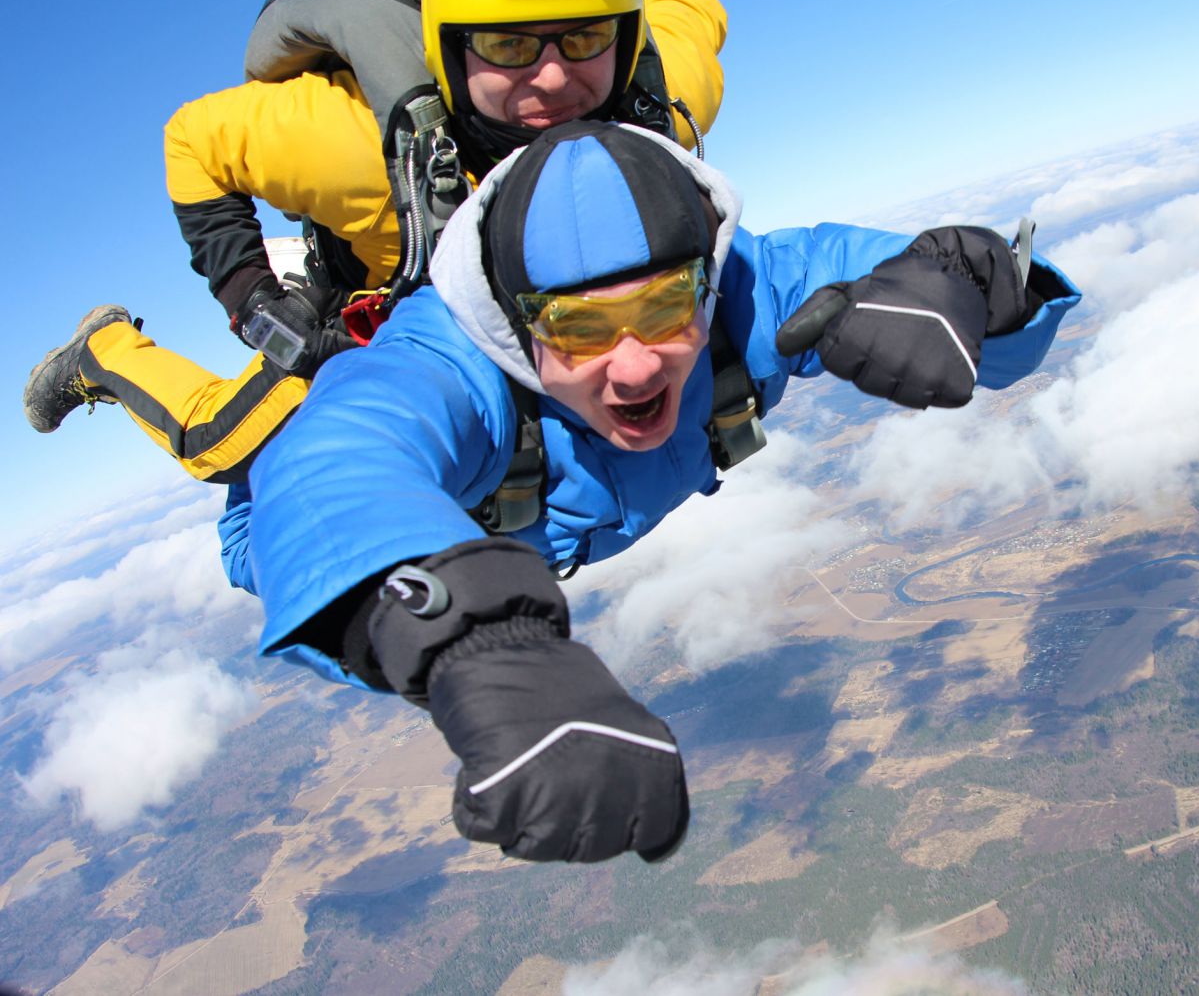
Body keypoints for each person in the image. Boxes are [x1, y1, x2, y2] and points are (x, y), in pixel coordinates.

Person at [235, 120, 1081, 864]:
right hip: (283, 528)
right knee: (223, 436)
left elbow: (913, 270)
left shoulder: (743, 290)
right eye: (579, 326)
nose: (635, 363)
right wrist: (464, 637)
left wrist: (974, 286)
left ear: (703, 281)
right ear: (517, 322)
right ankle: (110, 359)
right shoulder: (450, 369)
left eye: (667, 305)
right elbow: (330, 469)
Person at [23, 0, 725, 486]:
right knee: (225, 449)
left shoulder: (660, 107)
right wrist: (259, 305)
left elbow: (690, 3)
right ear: (451, 48)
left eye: (582, 36)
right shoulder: (352, 141)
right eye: (506, 44)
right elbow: (192, 142)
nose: (551, 75)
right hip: (381, 296)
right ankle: (103, 353)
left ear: (625, 35)